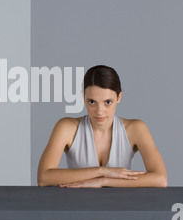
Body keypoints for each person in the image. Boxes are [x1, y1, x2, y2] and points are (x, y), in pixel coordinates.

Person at [37, 65, 167, 188]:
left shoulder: (135, 129)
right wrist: (102, 171)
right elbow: (43, 178)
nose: (99, 111)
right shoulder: (67, 127)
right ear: (83, 97)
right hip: (78, 206)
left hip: (120, 207)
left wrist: (103, 180)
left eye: (108, 102)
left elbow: (160, 179)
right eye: (92, 102)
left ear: (119, 97)